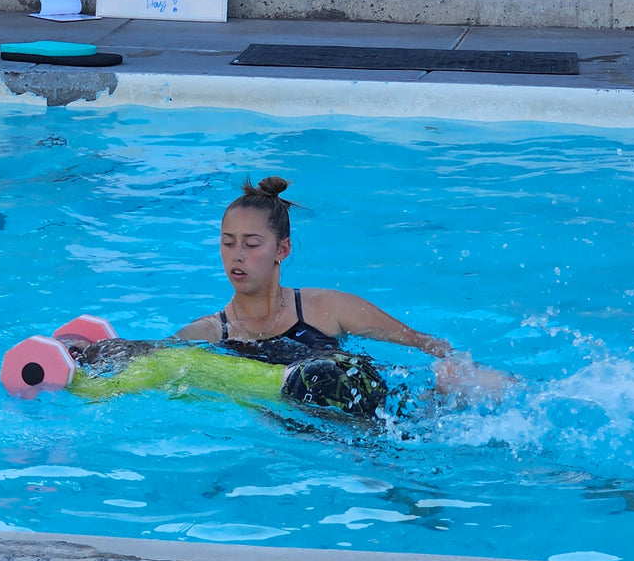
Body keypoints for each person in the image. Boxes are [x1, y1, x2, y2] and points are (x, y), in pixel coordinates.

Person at [170, 176, 514, 413]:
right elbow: (154, 363)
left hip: (382, 406)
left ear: (282, 249)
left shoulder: (325, 308)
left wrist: (457, 366)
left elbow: (424, 343)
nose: (237, 255)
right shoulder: (210, 333)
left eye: (251, 243)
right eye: (228, 243)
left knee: (466, 379)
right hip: (314, 431)